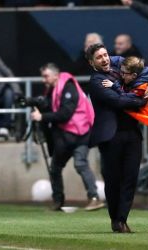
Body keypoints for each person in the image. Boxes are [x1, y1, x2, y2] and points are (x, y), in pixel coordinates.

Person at [85, 43, 148, 233]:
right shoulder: (96, 80)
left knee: (131, 177)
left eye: (105, 55)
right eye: (99, 57)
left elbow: (145, 69)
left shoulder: (119, 66)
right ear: (92, 63)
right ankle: (115, 218)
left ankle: (122, 219)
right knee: (113, 180)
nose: (105, 59)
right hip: (111, 136)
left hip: (132, 133)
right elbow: (117, 101)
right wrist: (141, 101)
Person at [30, 63, 105, 212]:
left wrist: (41, 117)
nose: (44, 80)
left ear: (55, 75)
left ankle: (93, 198)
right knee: (60, 167)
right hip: (72, 134)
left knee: (76, 165)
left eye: (46, 76)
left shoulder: (68, 87)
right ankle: (59, 201)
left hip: (77, 134)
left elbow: (65, 114)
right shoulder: (55, 88)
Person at [0, 50, 22, 137]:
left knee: (9, 94)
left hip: (1, 90)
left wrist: (17, 90)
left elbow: (9, 74)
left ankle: (6, 125)